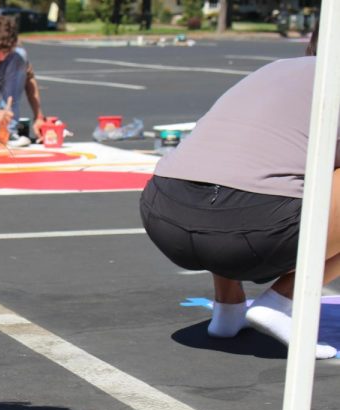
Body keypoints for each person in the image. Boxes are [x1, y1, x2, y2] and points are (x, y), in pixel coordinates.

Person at [139, 56, 340, 359]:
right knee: (258, 183)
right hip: (246, 231)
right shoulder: (331, 79)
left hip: (162, 211)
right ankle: (282, 300)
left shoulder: (275, 69)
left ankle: (228, 306)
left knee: (239, 166)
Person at [0, 14, 45, 147]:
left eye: (6, 52)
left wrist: (39, 116)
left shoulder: (13, 43)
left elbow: (29, 79)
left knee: (19, 57)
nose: (2, 57)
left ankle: (7, 131)